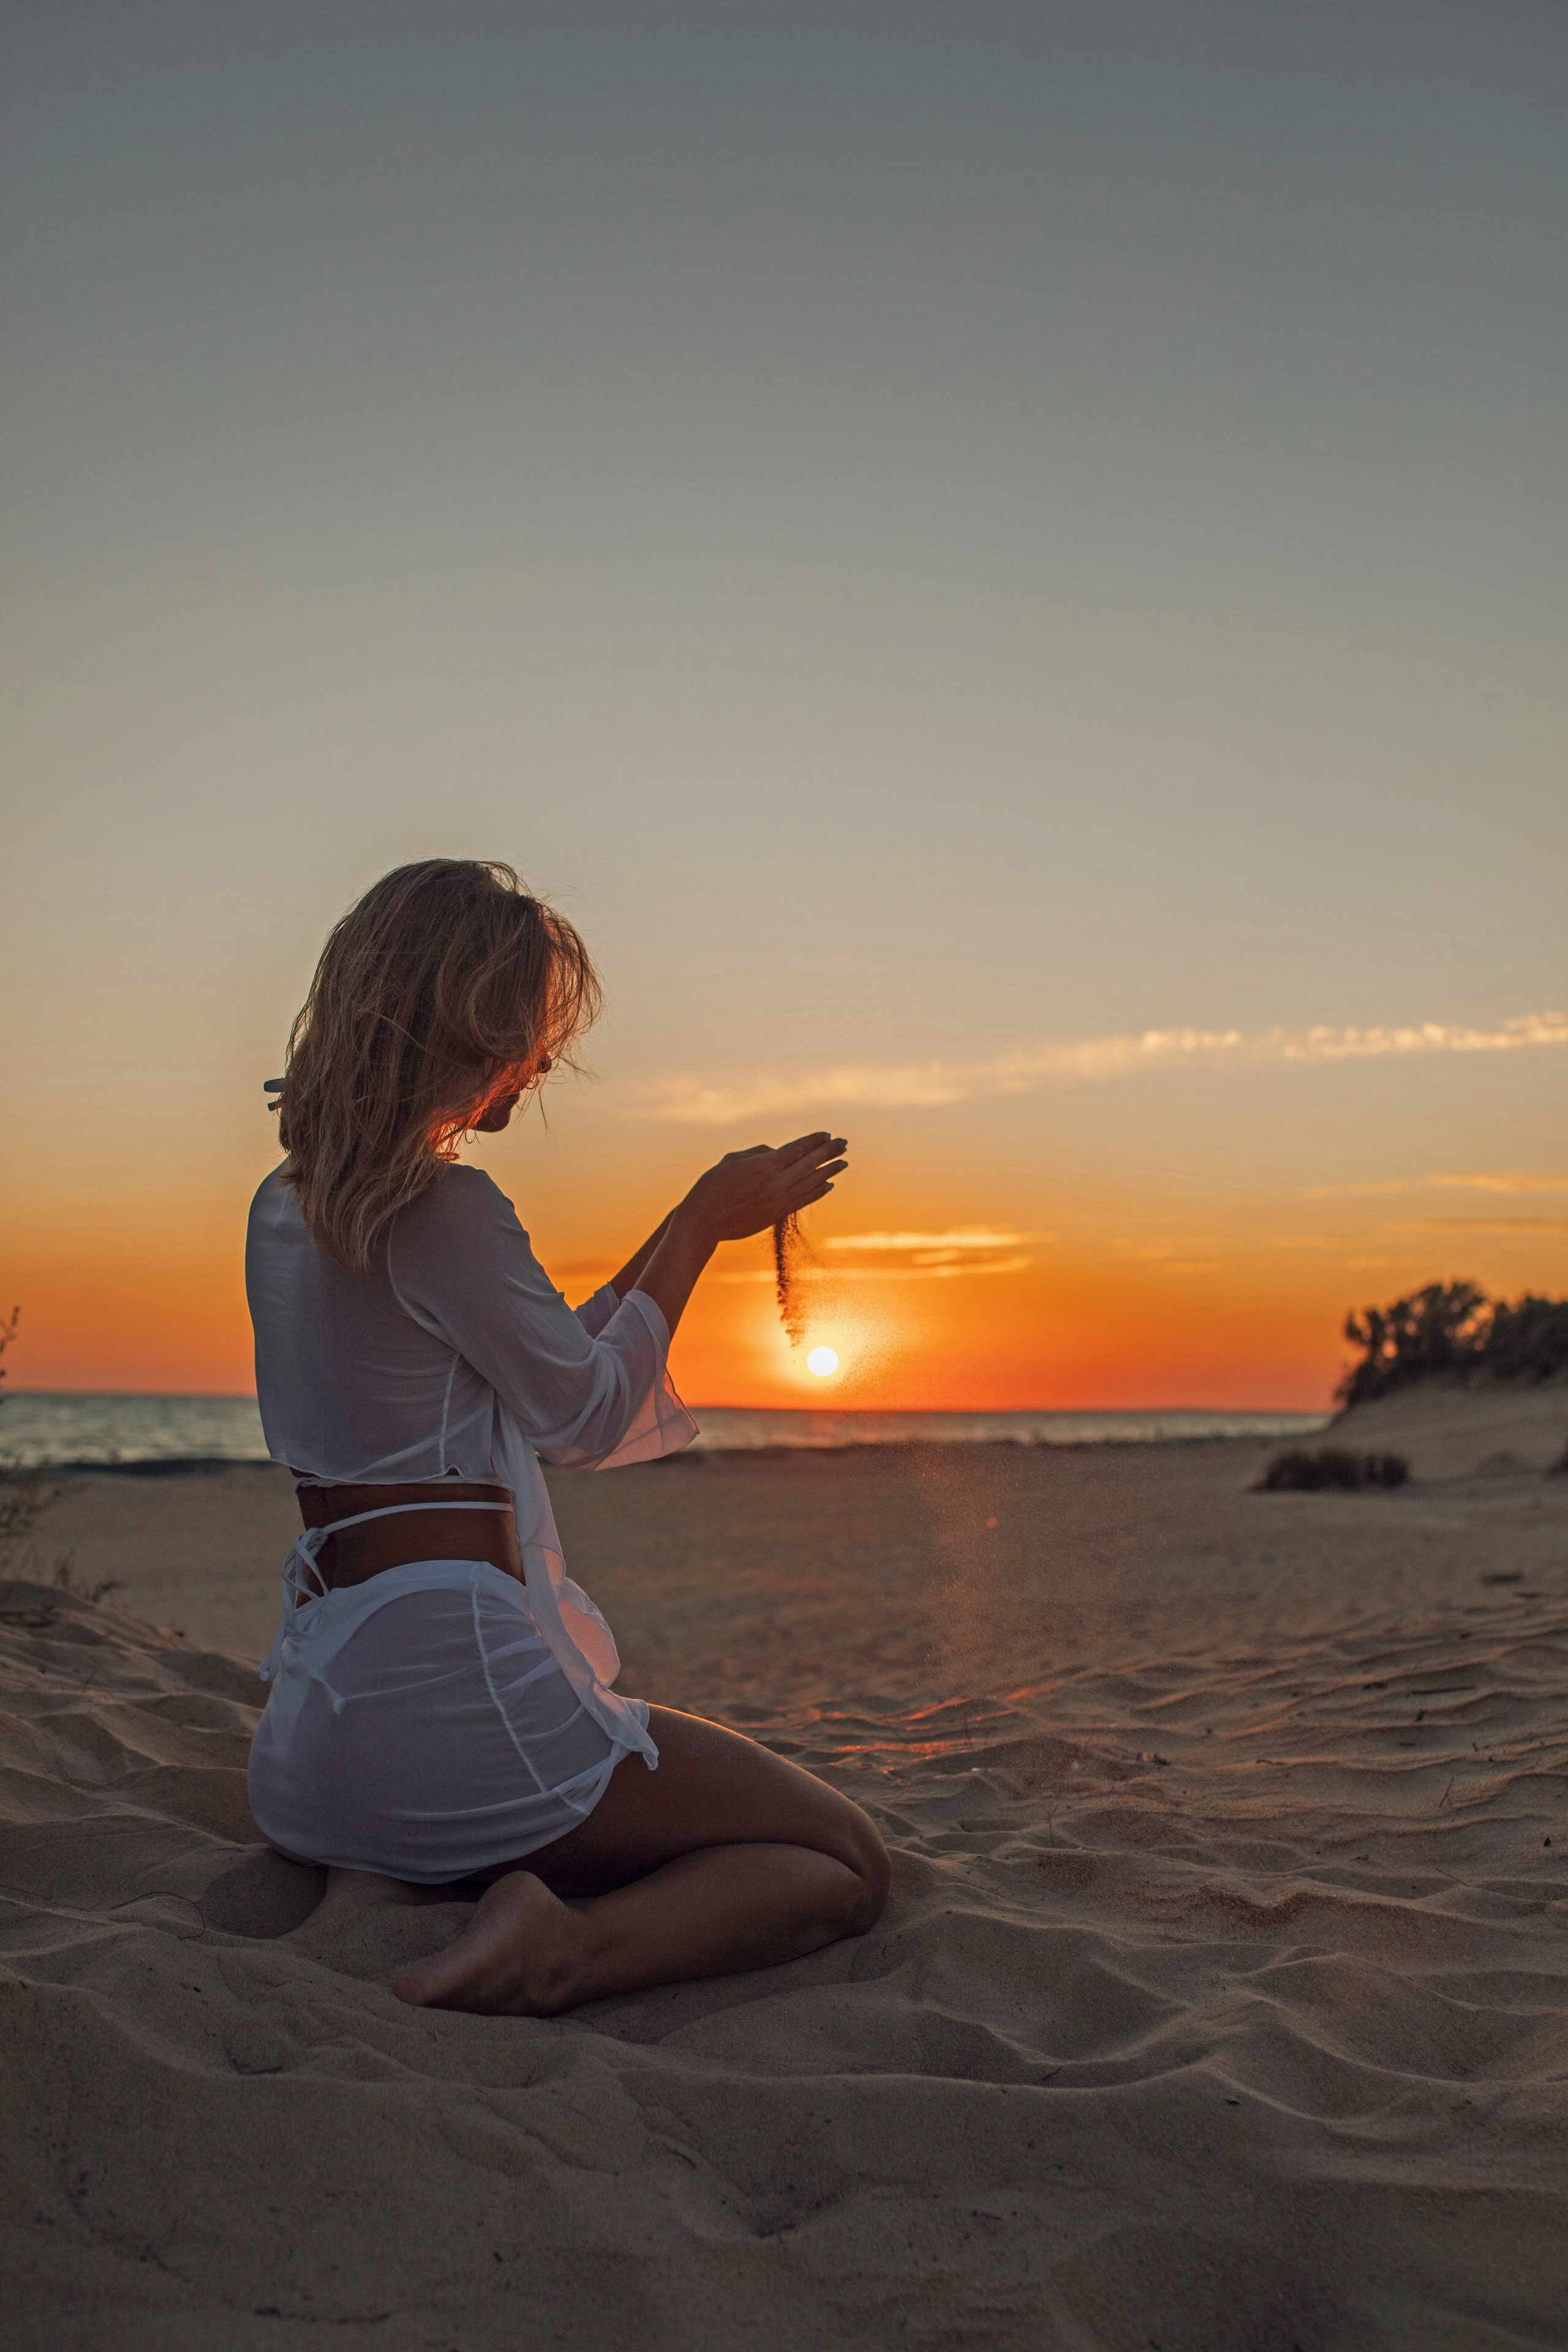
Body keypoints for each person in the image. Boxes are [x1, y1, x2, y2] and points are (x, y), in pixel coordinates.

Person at [245, 858, 889, 2016]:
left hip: (315, 1757)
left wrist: (695, 1218)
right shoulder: (444, 1207)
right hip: (455, 1708)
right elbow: (583, 1417)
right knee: (843, 1859)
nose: (539, 1060)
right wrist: (700, 1226)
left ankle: (532, 1902)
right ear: (479, 1033)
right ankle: (565, 1951)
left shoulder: (287, 1206)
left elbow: (549, 1370)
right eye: (532, 1031)